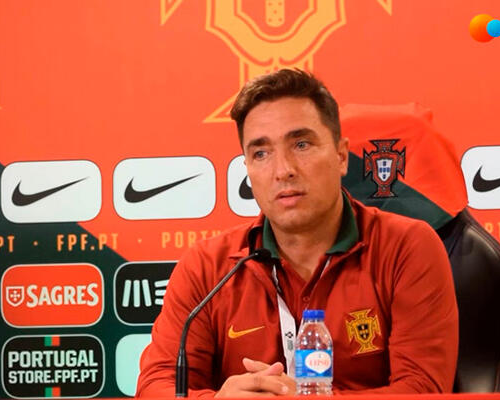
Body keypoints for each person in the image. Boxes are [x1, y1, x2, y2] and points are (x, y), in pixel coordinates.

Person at [136, 69, 458, 398]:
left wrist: (309, 399)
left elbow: (424, 389)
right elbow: (155, 386)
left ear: (341, 156)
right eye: (261, 153)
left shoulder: (408, 248)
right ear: (247, 168)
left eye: (301, 144)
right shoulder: (208, 267)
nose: (283, 170)